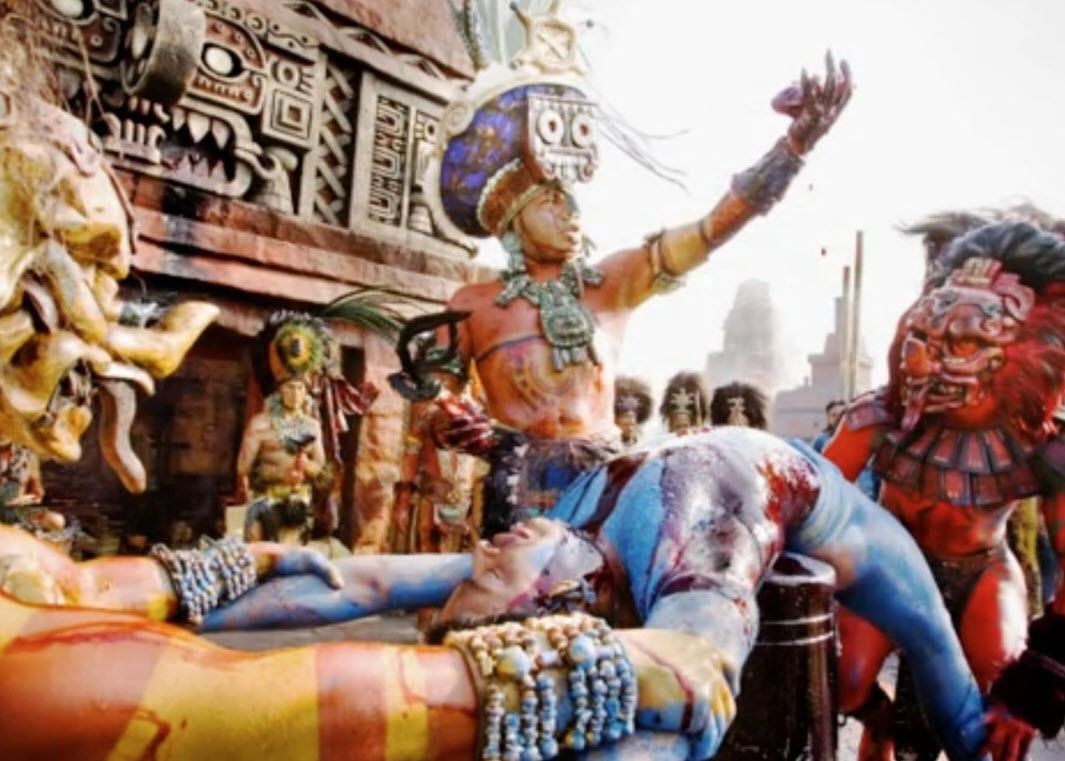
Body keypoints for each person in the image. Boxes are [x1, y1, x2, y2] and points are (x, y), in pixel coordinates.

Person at [0, 427, 1001, 761]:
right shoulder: (698, 556)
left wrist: (99, 583)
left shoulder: (561, 540)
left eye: (480, 569)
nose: (489, 549)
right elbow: (694, 680)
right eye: (492, 575)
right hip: (844, 521)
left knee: (945, 689)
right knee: (952, 683)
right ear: (559, 609)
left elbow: (350, 578)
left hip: (803, 478)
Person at [420, 3, 852, 535]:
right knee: (519, 589)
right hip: (516, 490)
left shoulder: (612, 284)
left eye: (572, 201)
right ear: (511, 217)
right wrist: (447, 420)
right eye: (551, 201)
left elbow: (709, 231)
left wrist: (792, 149)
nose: (570, 214)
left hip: (606, 486)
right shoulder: (472, 305)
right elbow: (431, 403)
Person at [824, 218, 1065, 761]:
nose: (923, 362)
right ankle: (883, 726)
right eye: (926, 337)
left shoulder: (1047, 444)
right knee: (848, 680)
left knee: (998, 714)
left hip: (983, 571)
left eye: (964, 342)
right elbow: (812, 501)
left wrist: (1041, 680)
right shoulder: (876, 417)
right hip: (887, 566)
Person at [614, 376, 654, 448]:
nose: (630, 428)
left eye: (632, 424)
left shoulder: (642, 444)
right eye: (626, 424)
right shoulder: (605, 442)